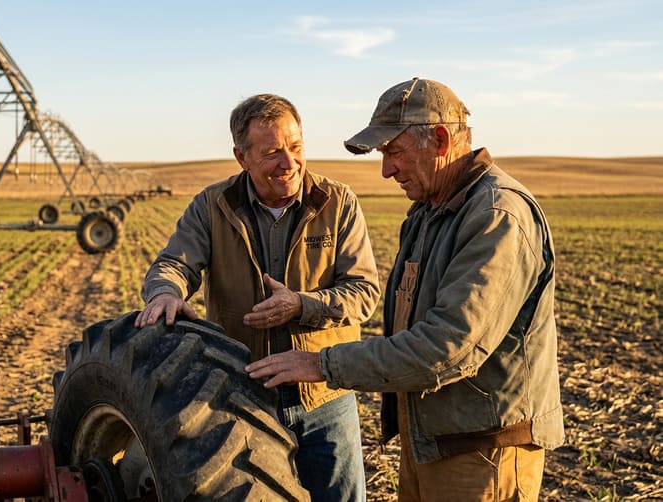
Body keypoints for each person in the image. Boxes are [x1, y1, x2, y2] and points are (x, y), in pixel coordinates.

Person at [246, 78, 564, 501]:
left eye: (393, 152)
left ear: (439, 139)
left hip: (484, 453)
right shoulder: (430, 212)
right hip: (435, 443)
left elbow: (446, 347)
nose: (386, 170)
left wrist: (323, 364)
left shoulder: (496, 216)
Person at [136, 93, 381, 500]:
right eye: (271, 152)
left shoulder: (337, 203)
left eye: (296, 147)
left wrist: (302, 305)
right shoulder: (212, 206)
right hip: (243, 398)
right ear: (241, 157)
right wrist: (165, 293)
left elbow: (364, 291)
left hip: (324, 393)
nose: (289, 162)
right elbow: (174, 263)